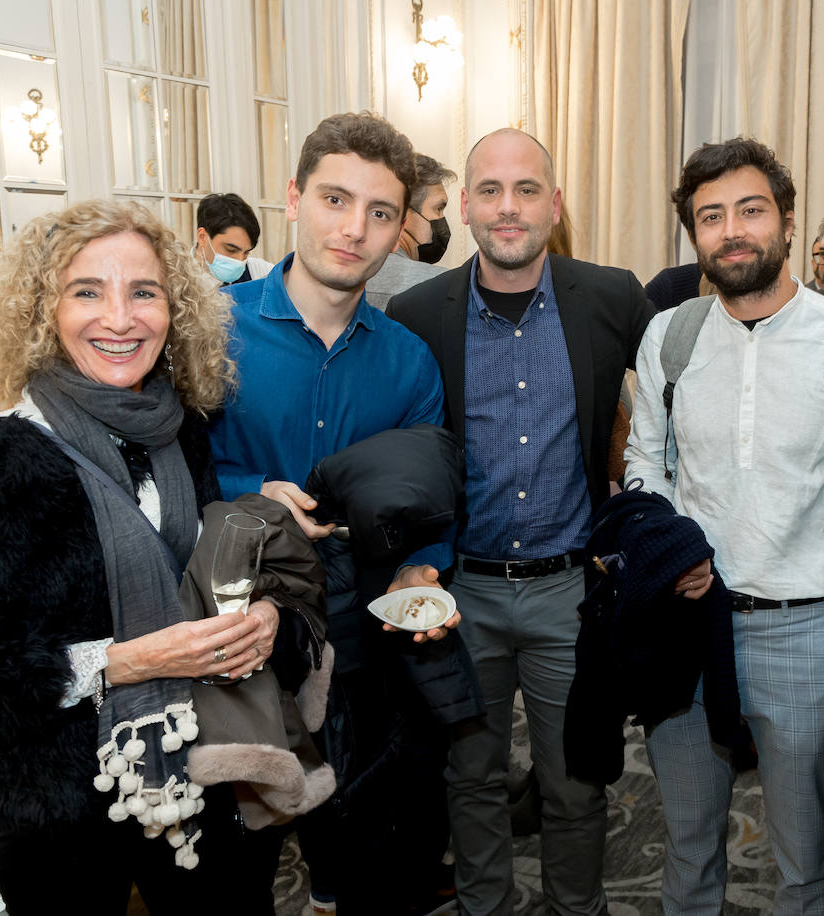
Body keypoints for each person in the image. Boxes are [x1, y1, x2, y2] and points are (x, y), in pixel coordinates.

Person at [0, 200, 288, 914]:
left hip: (196, 767)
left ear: (174, 310)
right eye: (87, 292)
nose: (120, 318)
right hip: (59, 809)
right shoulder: (0, 458)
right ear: (44, 312)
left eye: (143, 292)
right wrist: (125, 662)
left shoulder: (179, 430)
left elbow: (200, 575)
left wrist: (260, 614)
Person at [623, 137, 824, 916]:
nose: (732, 230)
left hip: (803, 629)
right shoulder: (670, 334)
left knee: (806, 859)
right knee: (686, 846)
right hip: (687, 624)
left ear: (787, 220)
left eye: (751, 210)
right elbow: (646, 464)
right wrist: (669, 555)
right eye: (711, 216)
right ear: (694, 234)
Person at [387, 127, 653, 916]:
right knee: (470, 779)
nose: (509, 208)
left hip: (569, 590)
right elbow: (400, 445)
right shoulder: (417, 312)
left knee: (575, 783)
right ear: (466, 206)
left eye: (527, 189)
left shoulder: (611, 297)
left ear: (555, 205)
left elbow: (682, 392)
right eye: (491, 191)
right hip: (459, 591)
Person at [206, 111, 466, 916]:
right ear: (293, 199)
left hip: (357, 631)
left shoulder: (407, 359)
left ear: (400, 229)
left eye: (380, 212)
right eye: (334, 200)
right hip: (233, 632)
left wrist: (424, 568)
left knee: (360, 840)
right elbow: (167, 477)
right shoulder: (211, 334)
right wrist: (251, 488)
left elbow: (432, 503)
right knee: (233, 858)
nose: (354, 229)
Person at [363, 151, 456, 310]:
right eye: (438, 209)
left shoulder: (350, 273)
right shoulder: (442, 286)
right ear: (404, 213)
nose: (442, 219)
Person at [194, 192, 274, 286]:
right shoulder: (181, 282)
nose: (240, 261)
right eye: (231, 250)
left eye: (246, 253)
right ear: (202, 237)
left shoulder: (259, 272)